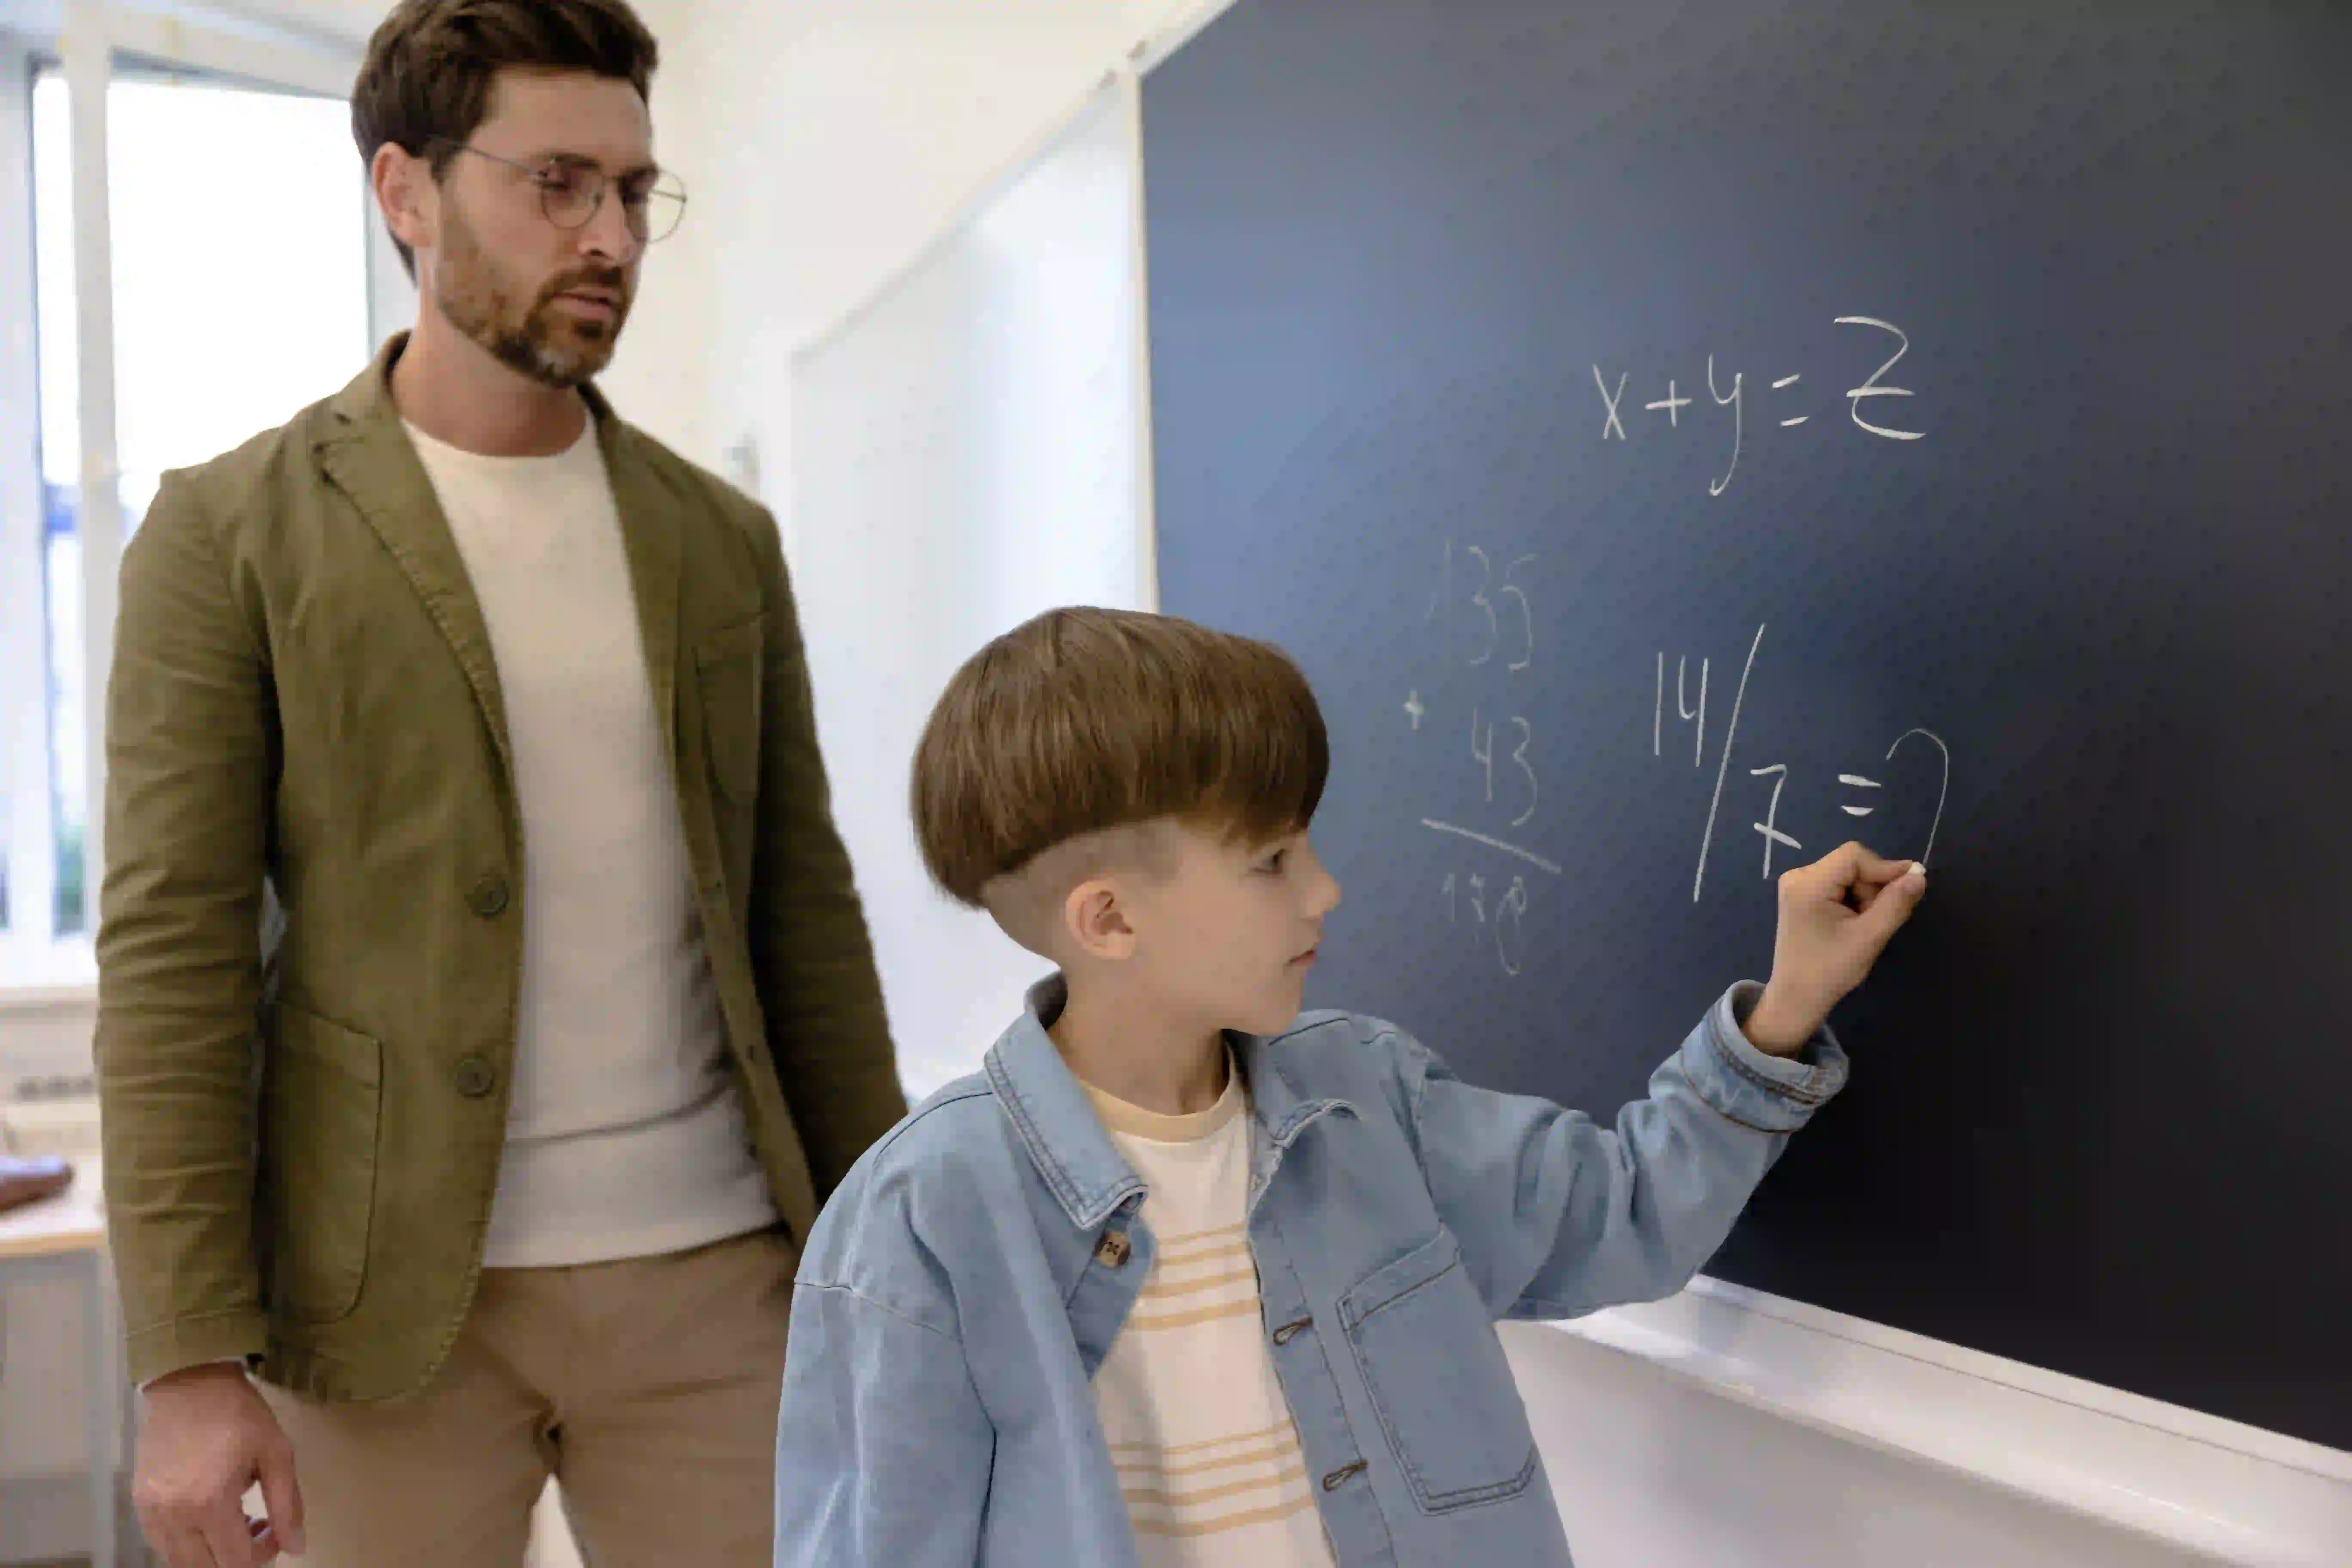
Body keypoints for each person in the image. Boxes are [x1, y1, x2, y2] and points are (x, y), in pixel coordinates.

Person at [94, 3, 904, 1565]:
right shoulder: (234, 535)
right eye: (556, 184)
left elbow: (805, 922)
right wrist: (185, 1363)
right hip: (381, 1304)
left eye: (632, 190)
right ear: (405, 192)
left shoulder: (717, 542)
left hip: (721, 1287)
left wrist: (892, 1258)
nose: (608, 235)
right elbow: (173, 961)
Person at [772, 606, 1926, 1566]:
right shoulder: (924, 1220)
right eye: (1272, 860)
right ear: (1110, 918)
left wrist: (1783, 1013)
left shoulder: (1368, 1098)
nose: (1325, 890)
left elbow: (1620, 1220)